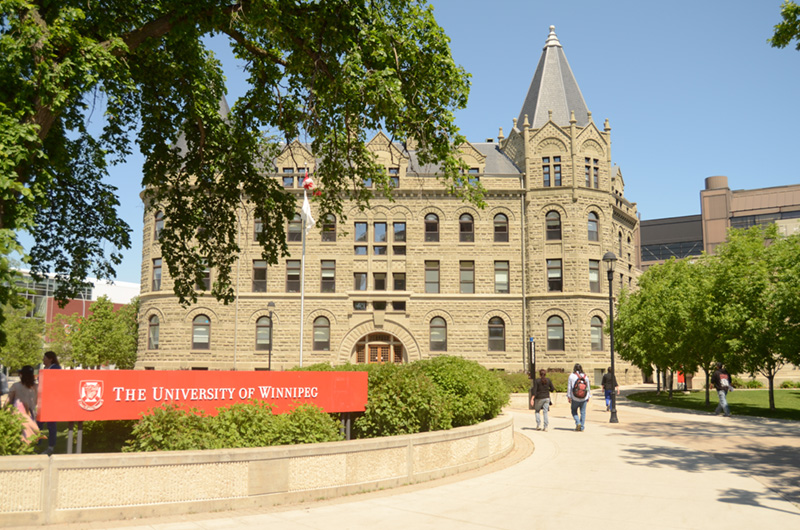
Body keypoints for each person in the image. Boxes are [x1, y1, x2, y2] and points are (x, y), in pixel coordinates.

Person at [7, 365, 40, 442]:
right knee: (31, 436)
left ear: (22, 375)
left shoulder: (16, 386)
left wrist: (5, 410)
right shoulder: (36, 387)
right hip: (31, 413)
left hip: (18, 414)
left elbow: (8, 401)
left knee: (19, 437)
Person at [41, 351, 61, 455]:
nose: (43, 360)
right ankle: (37, 444)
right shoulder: (46, 369)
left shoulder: (55, 368)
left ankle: (51, 447)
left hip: (52, 401)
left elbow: (55, 384)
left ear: (50, 359)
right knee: (39, 422)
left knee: (51, 424)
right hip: (44, 400)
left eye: (44, 358)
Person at [567, 363, 591, 431]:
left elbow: (569, 387)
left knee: (574, 411)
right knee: (583, 412)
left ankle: (578, 422)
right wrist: (588, 396)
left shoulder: (571, 376)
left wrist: (569, 396)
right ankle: (582, 427)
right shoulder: (585, 376)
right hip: (584, 397)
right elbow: (588, 387)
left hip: (575, 397)